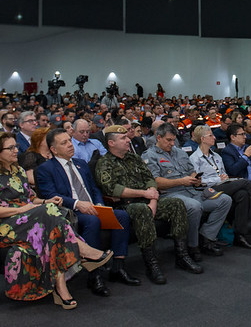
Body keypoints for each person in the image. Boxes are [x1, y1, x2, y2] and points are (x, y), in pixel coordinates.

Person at [0, 132, 112, 309]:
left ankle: (61, 287)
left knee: (52, 221)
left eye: (16, 146)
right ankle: (83, 251)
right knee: (49, 216)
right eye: (10, 148)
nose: (16, 150)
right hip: (6, 227)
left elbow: (31, 198)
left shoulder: (18, 171)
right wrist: (21, 210)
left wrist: (46, 201)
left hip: (30, 221)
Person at [96, 125, 202, 285]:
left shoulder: (134, 158)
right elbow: (112, 189)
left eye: (127, 137)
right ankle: (152, 264)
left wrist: (152, 200)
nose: (128, 140)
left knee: (176, 203)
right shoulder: (104, 163)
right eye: (123, 138)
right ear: (111, 143)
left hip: (148, 200)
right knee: (142, 210)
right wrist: (144, 194)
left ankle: (182, 255)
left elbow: (150, 179)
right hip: (126, 205)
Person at [36, 128, 136, 296]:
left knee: (122, 216)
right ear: (54, 149)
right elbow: (50, 195)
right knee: (92, 221)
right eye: (64, 143)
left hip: (93, 207)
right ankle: (94, 275)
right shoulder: (46, 169)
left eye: (69, 140)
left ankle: (118, 267)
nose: (70, 145)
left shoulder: (81, 163)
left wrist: (99, 204)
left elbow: (94, 188)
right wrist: (77, 204)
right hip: (70, 212)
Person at [142, 123, 232, 258]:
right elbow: (155, 182)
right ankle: (192, 246)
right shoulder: (150, 156)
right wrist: (181, 181)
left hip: (192, 191)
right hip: (171, 195)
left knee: (225, 200)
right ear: (158, 138)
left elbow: (192, 171)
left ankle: (206, 237)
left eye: (174, 140)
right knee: (194, 207)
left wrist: (196, 178)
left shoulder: (180, 152)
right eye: (168, 140)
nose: (172, 143)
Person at [189, 125, 251, 248]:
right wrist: (218, 179)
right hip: (208, 190)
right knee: (245, 183)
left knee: (243, 194)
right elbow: (197, 181)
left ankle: (240, 235)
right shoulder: (194, 158)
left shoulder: (216, 156)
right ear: (202, 139)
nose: (214, 137)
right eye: (210, 135)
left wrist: (224, 177)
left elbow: (223, 172)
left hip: (223, 184)